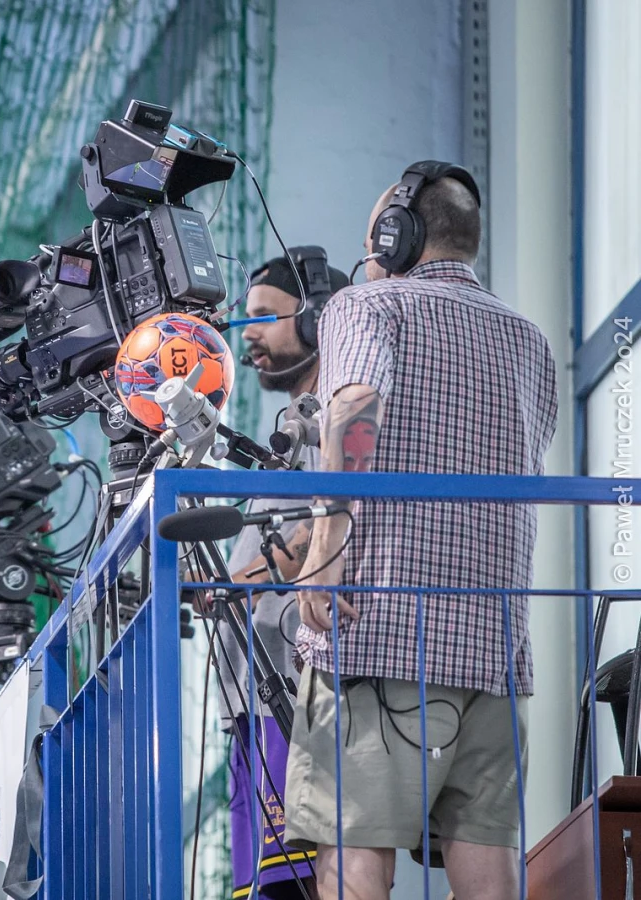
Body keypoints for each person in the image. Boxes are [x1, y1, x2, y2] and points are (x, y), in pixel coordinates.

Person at [284, 162, 558, 900]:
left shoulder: (368, 305)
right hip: (496, 645)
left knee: (354, 851)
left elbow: (354, 404)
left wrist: (325, 546)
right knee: (488, 867)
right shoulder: (530, 341)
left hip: (381, 631)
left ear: (395, 236)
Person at [214, 249, 349, 900]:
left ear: (319, 318)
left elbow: (321, 528)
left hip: (293, 696)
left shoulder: (338, 417)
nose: (249, 337)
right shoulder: (292, 426)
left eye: (266, 317)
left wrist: (241, 581)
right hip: (253, 700)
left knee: (302, 887)